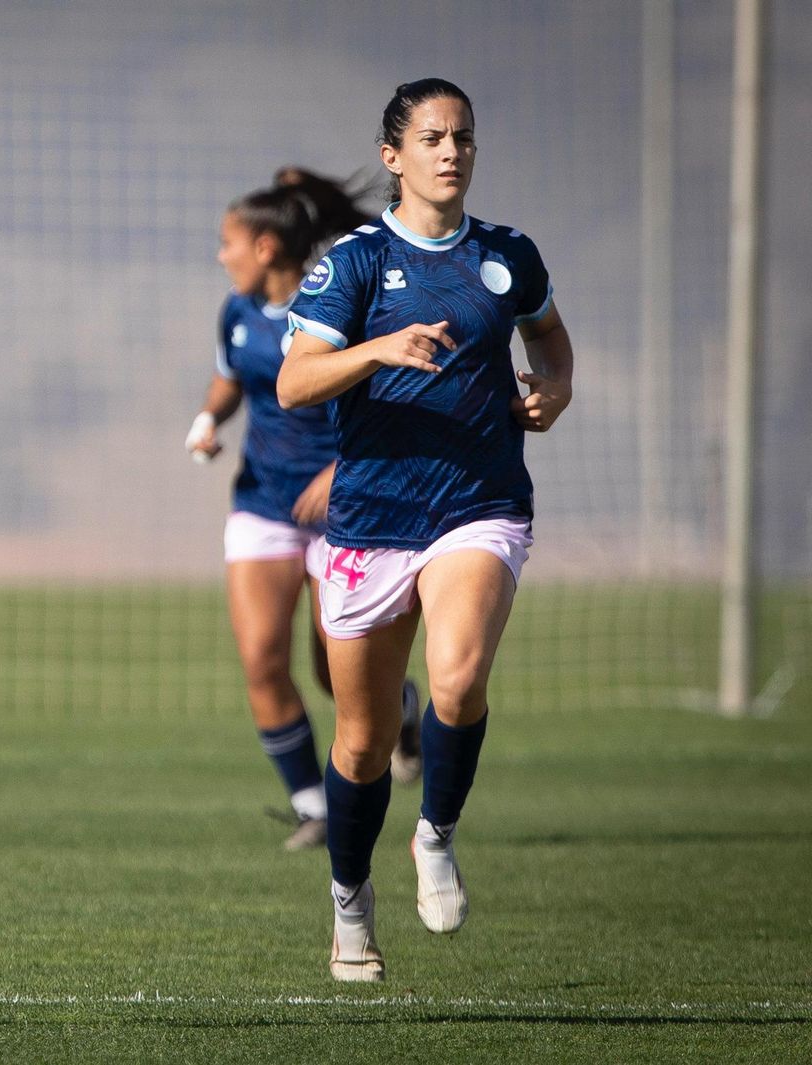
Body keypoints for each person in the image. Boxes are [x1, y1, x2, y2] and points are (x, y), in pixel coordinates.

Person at [277, 79, 574, 981]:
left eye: (465, 137)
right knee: (363, 743)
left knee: (457, 676)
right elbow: (295, 383)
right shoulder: (355, 264)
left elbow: (551, 342)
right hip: (372, 518)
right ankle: (349, 901)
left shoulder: (508, 255)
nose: (452, 151)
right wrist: (376, 349)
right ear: (393, 156)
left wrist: (553, 388)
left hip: (478, 504)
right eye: (434, 137)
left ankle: (436, 834)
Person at [185, 169, 423, 852]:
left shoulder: (337, 306)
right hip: (261, 500)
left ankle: (402, 707)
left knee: (333, 671)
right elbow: (231, 377)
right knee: (261, 658)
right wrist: (209, 417)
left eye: (227, 243)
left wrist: (340, 470)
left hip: (343, 505)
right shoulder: (236, 310)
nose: (220, 256)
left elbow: (389, 401)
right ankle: (313, 803)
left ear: (265, 246)